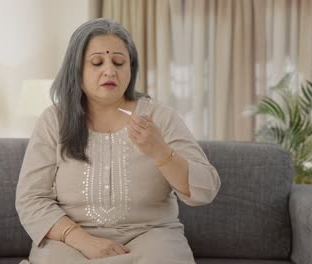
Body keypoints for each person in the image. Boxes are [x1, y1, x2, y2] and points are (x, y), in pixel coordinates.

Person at [16, 18, 221, 264]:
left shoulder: (160, 117)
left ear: (130, 69)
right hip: (69, 242)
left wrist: (161, 153)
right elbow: (31, 199)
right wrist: (82, 240)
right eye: (97, 62)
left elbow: (206, 190)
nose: (110, 70)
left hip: (151, 239)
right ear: (77, 69)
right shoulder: (53, 121)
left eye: (119, 62)